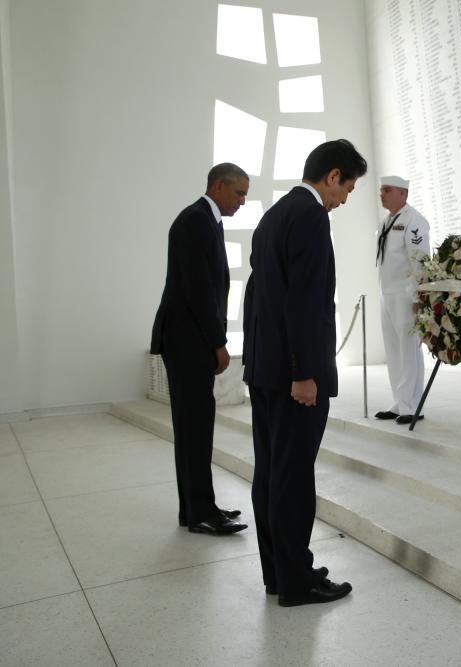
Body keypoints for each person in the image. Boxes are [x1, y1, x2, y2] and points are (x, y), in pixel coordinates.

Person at [243, 139, 367, 607]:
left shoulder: (274, 215)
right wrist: (304, 373)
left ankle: (280, 571)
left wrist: (259, 364)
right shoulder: (312, 217)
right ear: (332, 176)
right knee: (294, 478)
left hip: (263, 371)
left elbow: (259, 298)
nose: (344, 199)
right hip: (292, 376)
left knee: (271, 474)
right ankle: (297, 581)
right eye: (348, 188)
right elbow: (304, 303)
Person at [150, 163, 249, 534]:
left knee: (197, 427)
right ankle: (200, 513)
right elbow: (197, 290)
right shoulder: (194, 221)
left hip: (191, 338)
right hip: (187, 340)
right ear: (219, 185)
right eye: (238, 193)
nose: (241, 202)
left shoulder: (208, 221)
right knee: (194, 428)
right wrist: (217, 342)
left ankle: (197, 508)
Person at [373, 175, 431, 425]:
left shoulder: (413, 221)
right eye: (381, 190)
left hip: (406, 295)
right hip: (387, 294)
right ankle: (399, 401)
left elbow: (420, 260)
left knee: (408, 349)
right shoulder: (386, 222)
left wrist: (418, 295)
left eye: (387, 190)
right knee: (394, 349)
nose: (382, 194)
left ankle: (412, 404)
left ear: (403, 194)